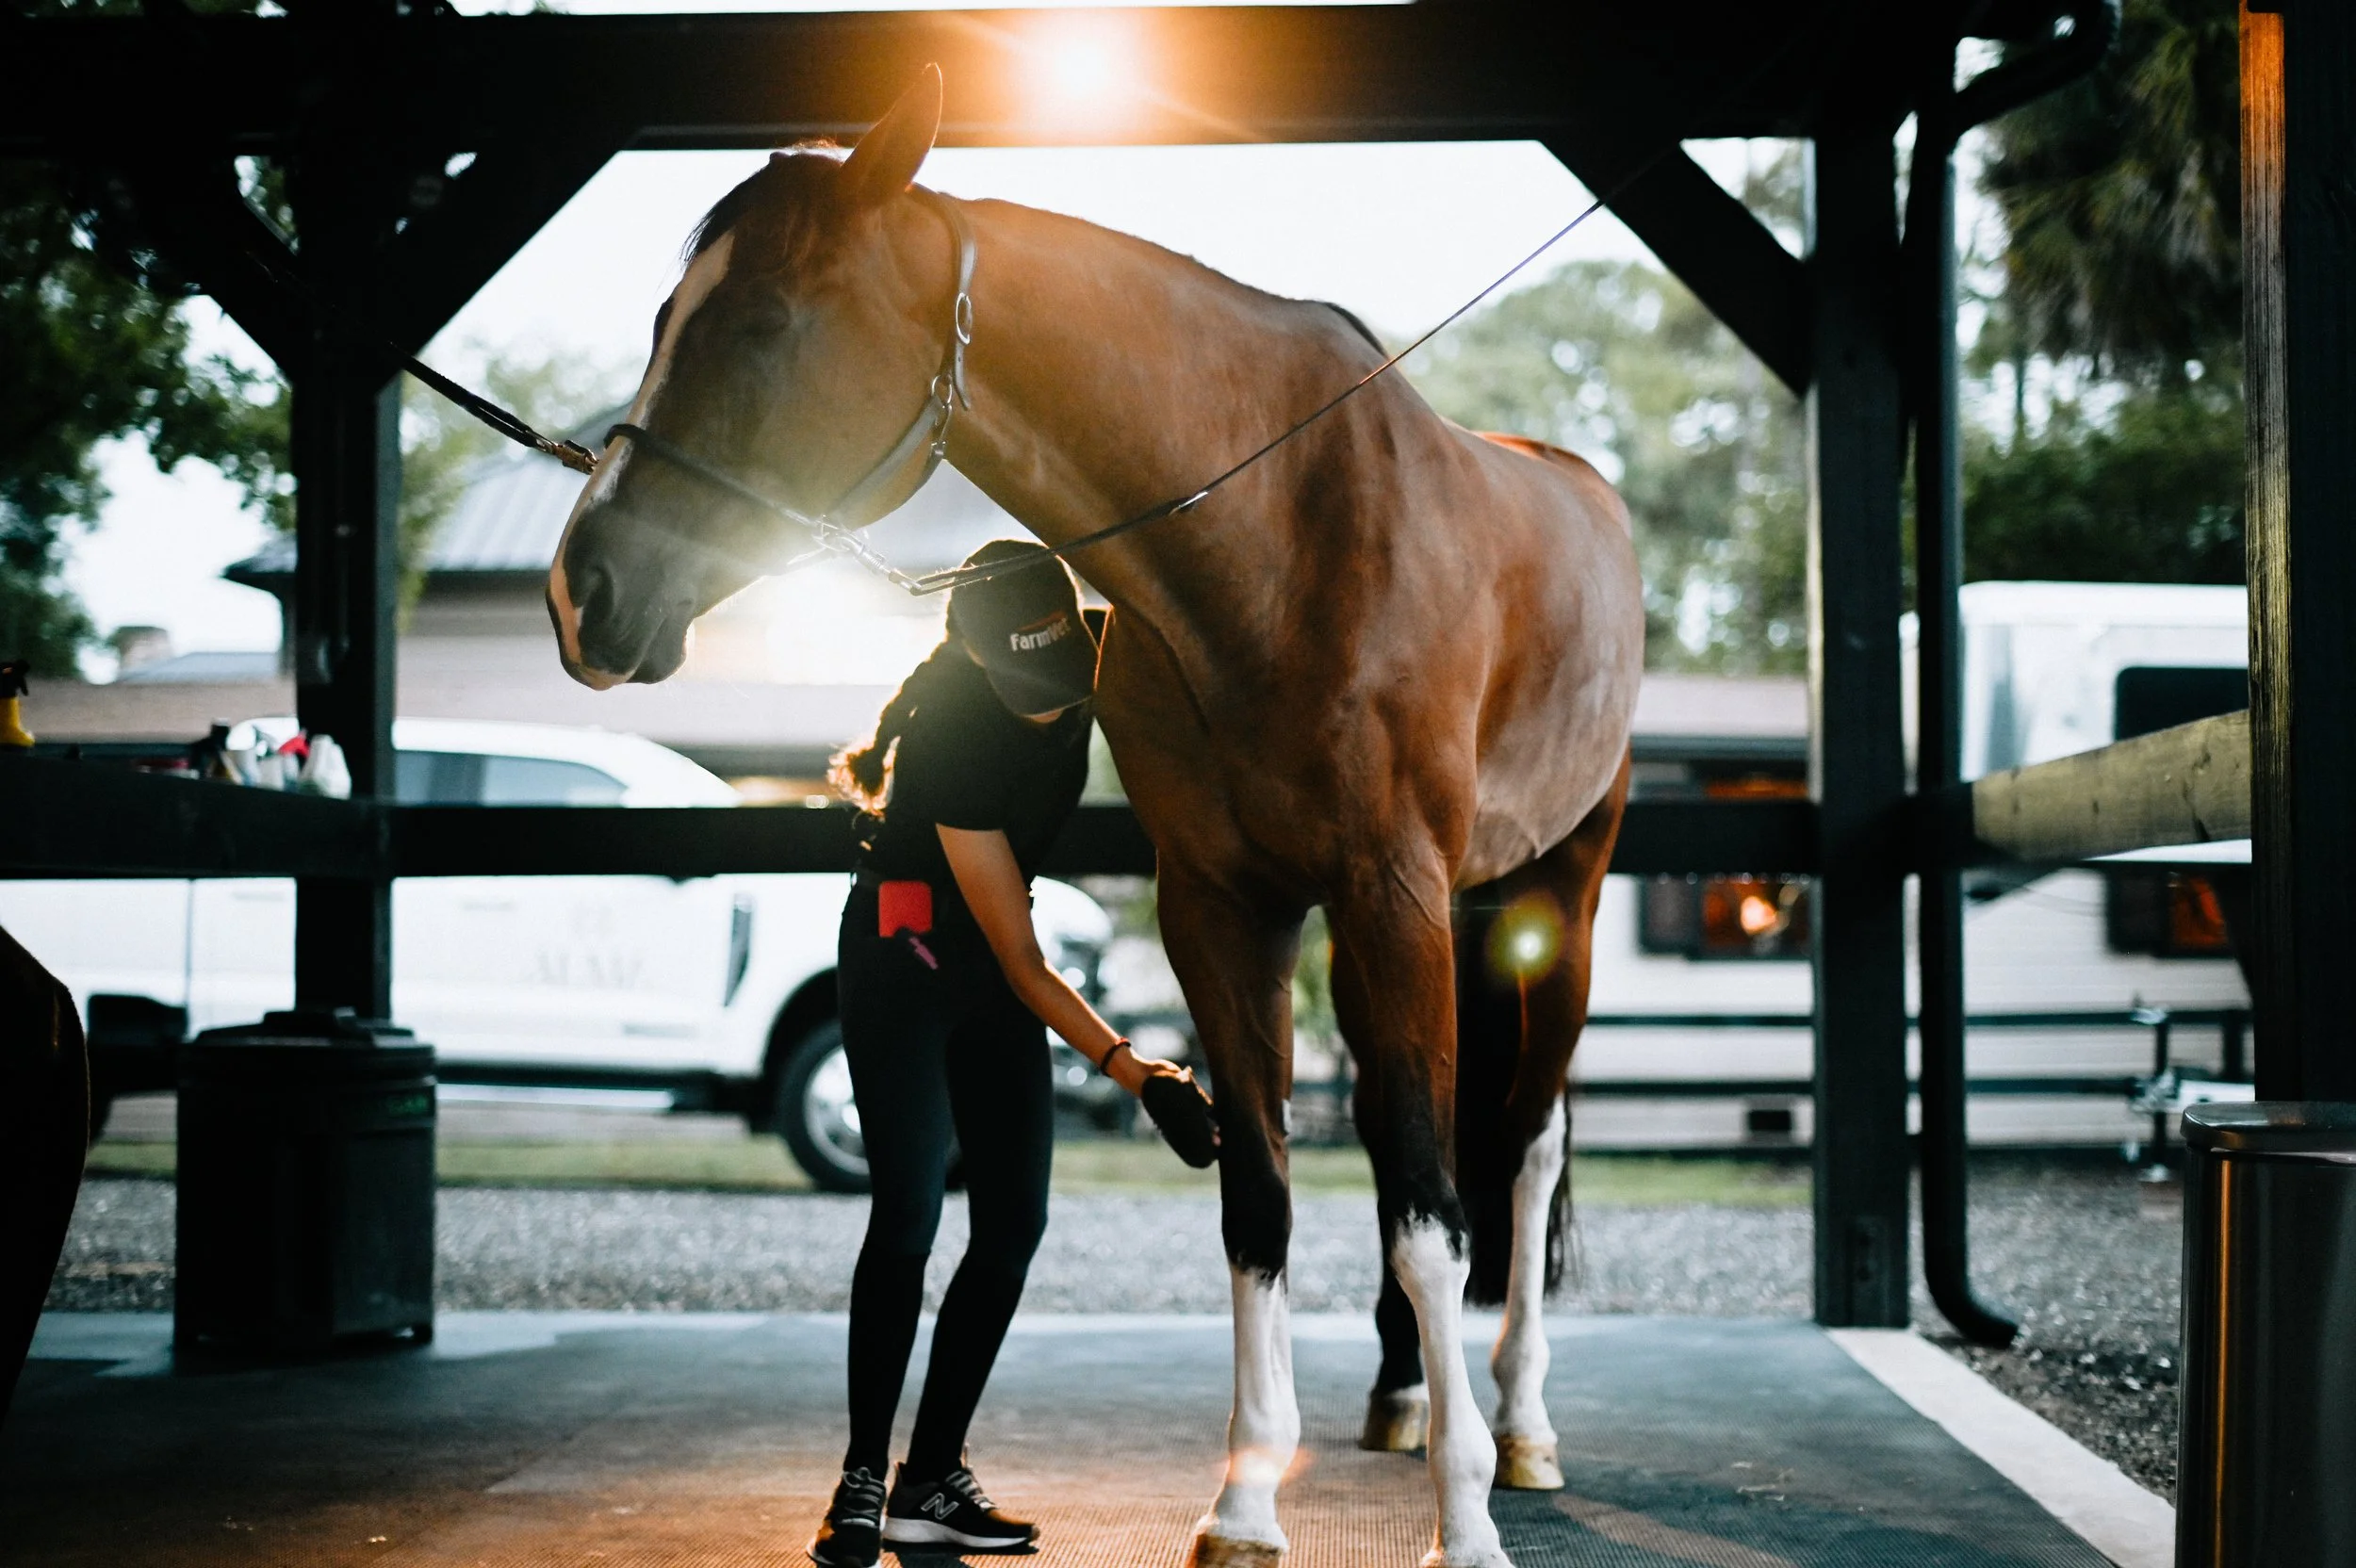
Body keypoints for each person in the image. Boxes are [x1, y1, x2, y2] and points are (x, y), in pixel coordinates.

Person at [811, 540, 1218, 1567]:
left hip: (989, 964)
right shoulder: (953, 731)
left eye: (1060, 677)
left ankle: (929, 1477)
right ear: (986, 664)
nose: (1049, 702)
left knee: (1013, 1224)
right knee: (906, 1214)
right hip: (907, 953)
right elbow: (1026, 961)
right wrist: (1141, 1072)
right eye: (1026, 684)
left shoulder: (1092, 661)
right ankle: (862, 1475)